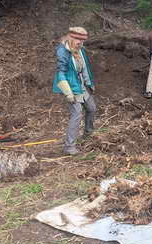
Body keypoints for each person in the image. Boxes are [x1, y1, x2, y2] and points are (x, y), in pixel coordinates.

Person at [52, 27, 97, 155]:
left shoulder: (80, 49)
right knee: (76, 115)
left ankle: (89, 135)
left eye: (83, 41)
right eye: (79, 41)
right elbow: (60, 73)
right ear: (71, 38)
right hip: (71, 87)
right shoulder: (62, 51)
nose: (81, 44)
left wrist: (90, 83)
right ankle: (69, 147)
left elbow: (85, 68)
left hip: (81, 86)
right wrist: (68, 93)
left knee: (92, 108)